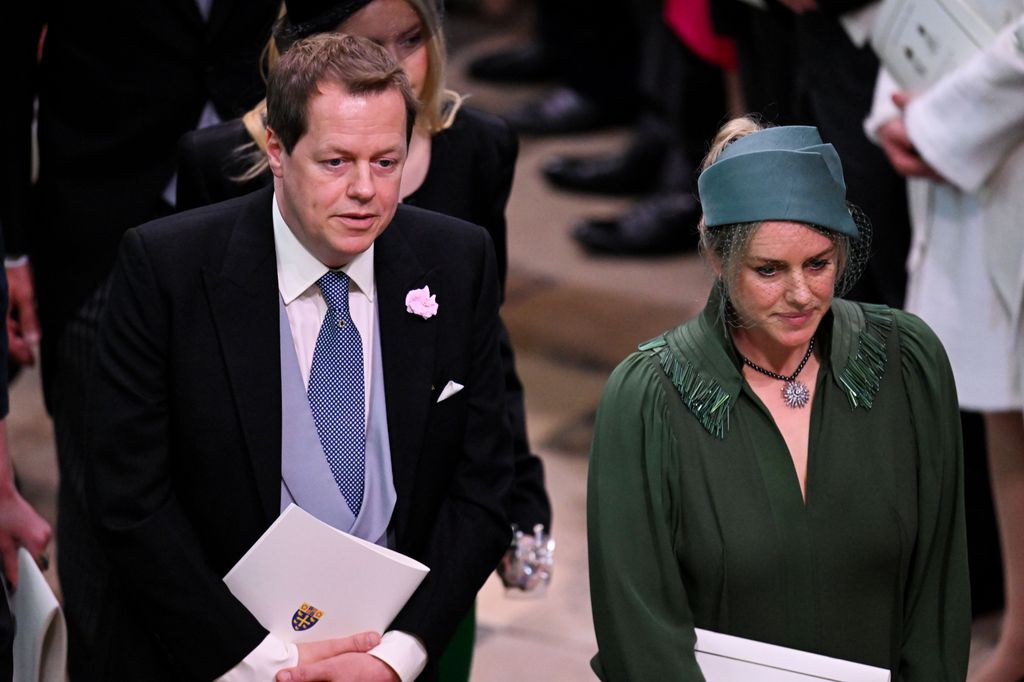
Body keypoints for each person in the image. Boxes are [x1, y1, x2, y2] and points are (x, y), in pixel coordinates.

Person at [89, 33, 513, 682]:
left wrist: (395, 658)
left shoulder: (459, 263)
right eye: (337, 162)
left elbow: (484, 485)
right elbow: (130, 500)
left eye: (386, 161)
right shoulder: (166, 269)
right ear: (278, 152)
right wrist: (265, 665)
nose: (367, 190)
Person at [176, 2, 553, 676]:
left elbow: (483, 358)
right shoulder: (198, 219)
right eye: (335, 161)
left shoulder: (468, 195)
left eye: (411, 41)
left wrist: (516, 490)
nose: (364, 190)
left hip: (414, 582)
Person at [587, 119, 970, 679]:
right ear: (718, 260)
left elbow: (938, 595)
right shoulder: (647, 399)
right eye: (769, 270)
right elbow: (638, 631)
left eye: (818, 264)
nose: (799, 294)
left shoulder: (908, 363)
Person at [9, 3, 282, 677]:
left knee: (245, 489)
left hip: (257, 221)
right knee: (105, 508)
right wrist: (9, 248)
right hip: (97, 227)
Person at [868, 16, 1024, 681]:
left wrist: (947, 117)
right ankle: (1021, 638)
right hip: (968, 95)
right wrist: (910, 98)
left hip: (993, 98)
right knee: (1002, 388)